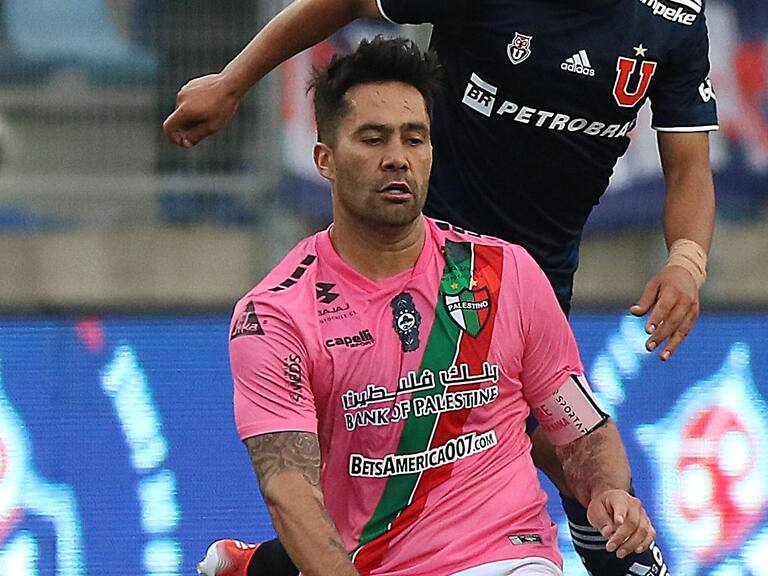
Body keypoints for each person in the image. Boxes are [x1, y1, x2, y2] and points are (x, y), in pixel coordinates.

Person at [167, 0, 717, 573]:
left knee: (551, 438)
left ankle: (263, 568)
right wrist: (233, 82)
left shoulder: (673, 16)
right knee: (478, 443)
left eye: (407, 136)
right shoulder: (278, 310)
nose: (394, 153)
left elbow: (688, 168)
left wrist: (686, 260)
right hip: (426, 247)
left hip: (531, 271)